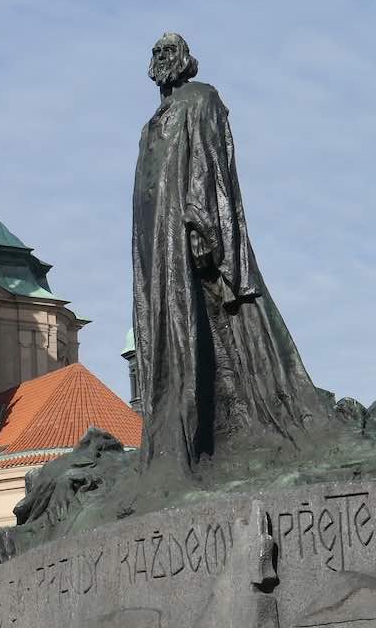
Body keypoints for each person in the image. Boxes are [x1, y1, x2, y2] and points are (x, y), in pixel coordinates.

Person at [133, 32, 326, 475]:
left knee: (210, 320)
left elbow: (208, 163)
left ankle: (224, 429)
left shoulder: (201, 98)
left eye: (168, 51)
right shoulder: (152, 122)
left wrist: (202, 225)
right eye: (156, 52)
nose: (161, 58)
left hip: (187, 229)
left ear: (184, 58)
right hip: (156, 241)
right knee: (171, 322)